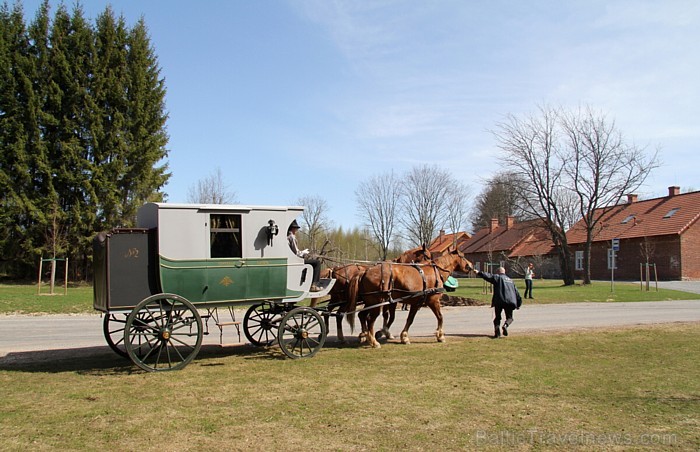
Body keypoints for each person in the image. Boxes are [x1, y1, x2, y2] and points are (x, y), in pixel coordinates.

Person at [473, 266, 522, 338]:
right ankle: (505, 325)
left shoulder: (497, 277)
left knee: (497, 317)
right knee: (510, 318)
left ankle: (497, 332)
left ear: (498, 272)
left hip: (499, 300)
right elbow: (517, 293)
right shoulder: (511, 280)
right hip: (510, 301)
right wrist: (518, 304)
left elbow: (488, 276)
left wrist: (478, 273)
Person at [287, 220, 321, 292]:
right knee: (317, 263)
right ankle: (314, 285)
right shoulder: (291, 237)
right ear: (292, 228)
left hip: (292, 260)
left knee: (312, 261)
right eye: (296, 228)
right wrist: (304, 252)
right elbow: (296, 253)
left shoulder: (288, 236)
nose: (296, 230)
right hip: (294, 261)